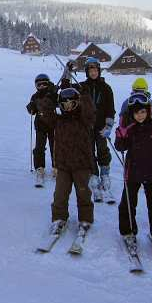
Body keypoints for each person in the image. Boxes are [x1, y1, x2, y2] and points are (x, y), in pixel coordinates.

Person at [114, 92, 152, 256]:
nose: (139, 116)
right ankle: (128, 233)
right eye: (136, 113)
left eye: (142, 112)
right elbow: (121, 148)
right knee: (127, 204)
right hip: (132, 172)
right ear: (131, 114)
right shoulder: (131, 129)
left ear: (148, 111)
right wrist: (120, 135)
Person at [50, 86, 95, 237]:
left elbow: (90, 112)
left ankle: (85, 219)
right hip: (63, 165)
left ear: (77, 103)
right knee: (60, 195)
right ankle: (59, 219)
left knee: (83, 193)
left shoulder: (83, 119)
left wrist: (85, 95)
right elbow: (45, 115)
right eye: (64, 104)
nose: (68, 107)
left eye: (71, 103)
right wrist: (50, 93)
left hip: (81, 164)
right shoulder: (59, 120)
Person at [80, 57, 116, 203]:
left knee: (102, 150)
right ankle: (93, 175)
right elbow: (66, 90)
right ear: (87, 72)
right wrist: (67, 72)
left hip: (101, 126)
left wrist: (108, 126)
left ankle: (105, 174)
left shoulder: (106, 88)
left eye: (95, 70)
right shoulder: (82, 87)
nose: (93, 72)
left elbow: (110, 108)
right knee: (89, 151)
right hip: (87, 126)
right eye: (90, 70)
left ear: (99, 71)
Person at [26, 73, 58, 187]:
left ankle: (56, 167)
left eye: (44, 84)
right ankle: (39, 168)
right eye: (39, 85)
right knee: (39, 146)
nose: (42, 87)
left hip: (53, 123)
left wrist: (54, 91)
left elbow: (58, 103)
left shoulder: (53, 93)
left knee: (55, 146)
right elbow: (33, 110)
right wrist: (30, 108)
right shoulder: (35, 96)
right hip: (40, 124)